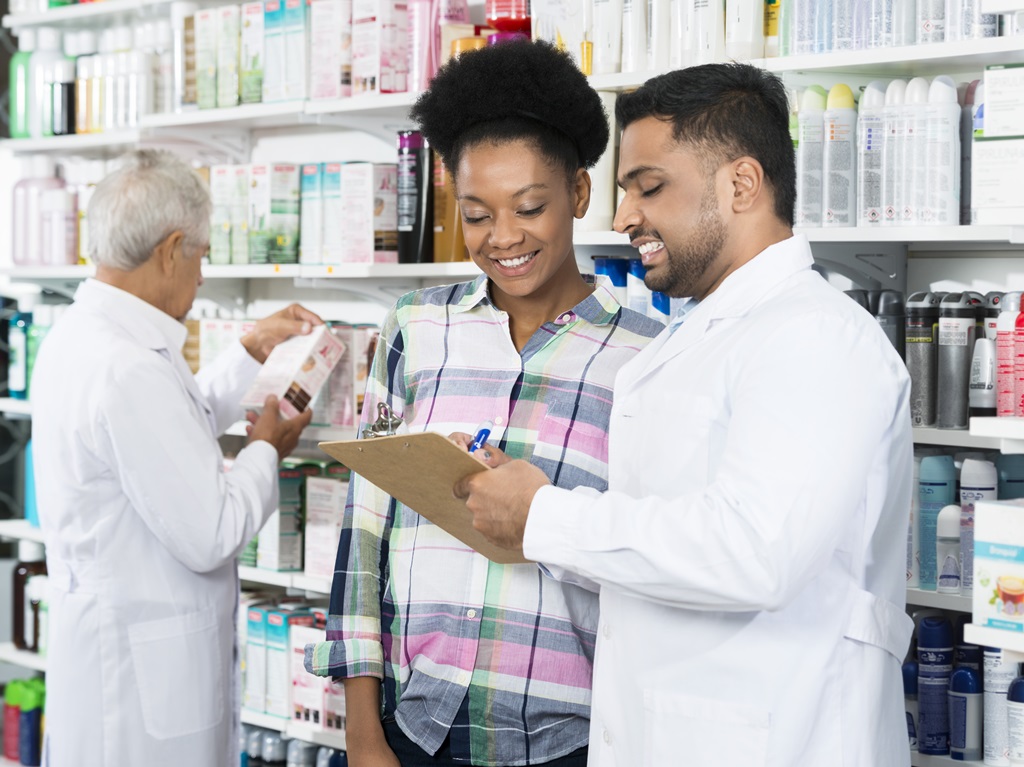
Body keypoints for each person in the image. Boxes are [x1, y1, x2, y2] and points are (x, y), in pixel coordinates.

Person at [456, 63, 914, 767]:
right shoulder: (701, 336)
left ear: (741, 184)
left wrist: (547, 516)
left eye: (649, 187)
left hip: (781, 738)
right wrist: (527, 509)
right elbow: (663, 551)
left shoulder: (815, 336)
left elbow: (756, 552)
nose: (623, 217)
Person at [303, 41, 664, 767]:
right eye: (476, 215)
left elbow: (650, 556)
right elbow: (365, 531)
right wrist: (363, 732)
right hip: (412, 725)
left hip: (569, 738)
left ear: (580, 194)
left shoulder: (646, 356)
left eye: (530, 207)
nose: (503, 237)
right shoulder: (415, 327)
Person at [30, 149, 321, 767]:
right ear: (170, 249)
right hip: (137, 686)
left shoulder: (85, 338)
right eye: (201, 255)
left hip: (115, 657)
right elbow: (211, 533)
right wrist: (265, 449)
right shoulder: (127, 366)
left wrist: (249, 349)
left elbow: (168, 434)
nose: (203, 275)